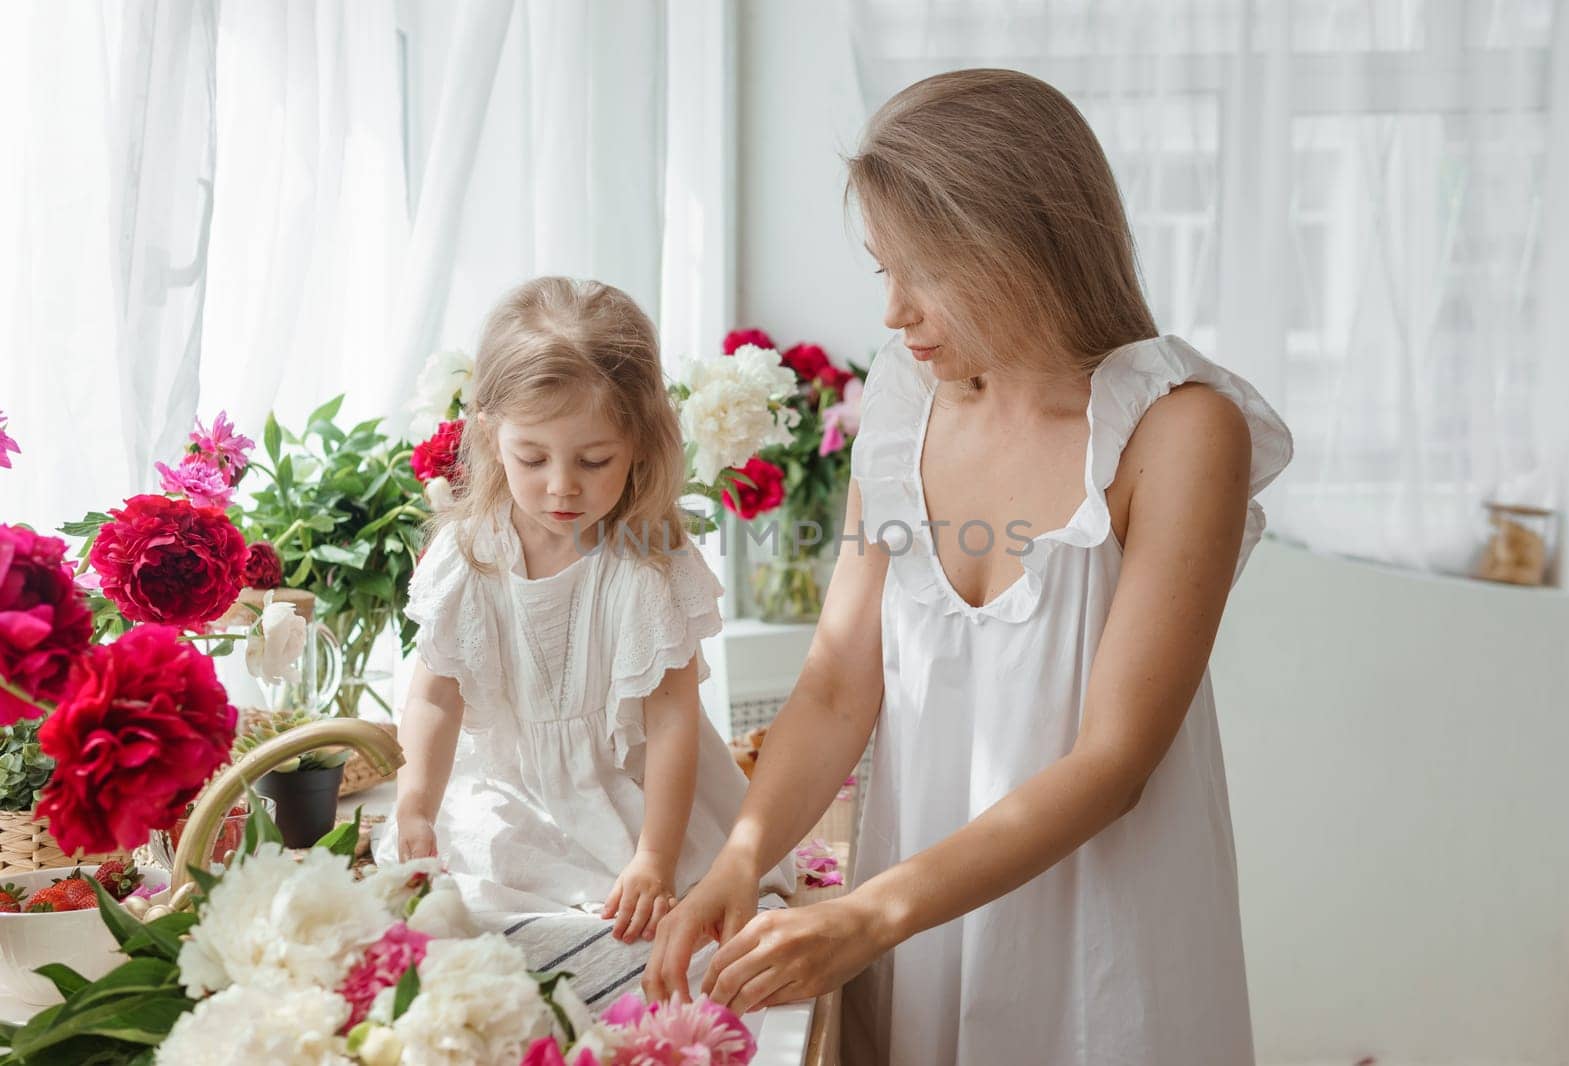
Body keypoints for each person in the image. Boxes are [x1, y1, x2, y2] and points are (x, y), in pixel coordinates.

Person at [644, 69, 1292, 1065]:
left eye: (924, 270)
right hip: (923, 932)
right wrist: (740, 858)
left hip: (1104, 941)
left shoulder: (1179, 429)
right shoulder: (904, 408)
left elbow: (1112, 762)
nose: (896, 310)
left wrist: (870, 913)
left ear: (1023, 243)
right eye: (881, 272)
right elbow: (833, 684)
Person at [376, 277, 793, 1004]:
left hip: (640, 798)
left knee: (674, 944)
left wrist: (655, 859)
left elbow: (670, 724)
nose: (561, 487)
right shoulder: (468, 554)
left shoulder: (646, 566)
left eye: (593, 460)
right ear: (488, 435)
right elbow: (435, 696)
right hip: (514, 790)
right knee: (449, 928)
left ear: (640, 441)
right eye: (531, 458)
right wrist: (415, 801)